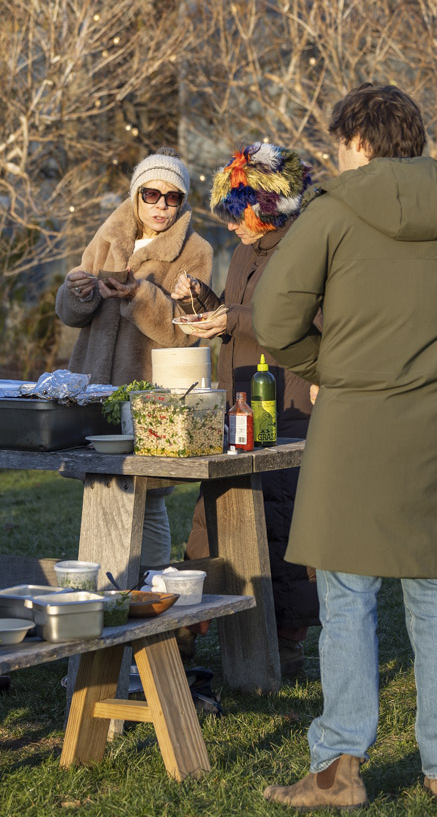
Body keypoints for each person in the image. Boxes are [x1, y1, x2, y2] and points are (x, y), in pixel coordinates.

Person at [255, 83, 437, 809]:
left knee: (348, 600)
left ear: (357, 142)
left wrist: (330, 369)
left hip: (354, 429)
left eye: (338, 144)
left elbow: (273, 319)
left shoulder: (333, 212)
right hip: (436, 432)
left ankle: (339, 770)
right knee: (436, 602)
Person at [169, 142, 318, 677]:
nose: (230, 227)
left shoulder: (306, 247)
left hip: (289, 398)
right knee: (212, 511)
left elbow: (303, 320)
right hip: (237, 399)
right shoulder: (244, 251)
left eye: (238, 215)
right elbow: (240, 314)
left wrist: (230, 317)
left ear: (267, 207)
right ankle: (183, 629)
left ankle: (286, 640)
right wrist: (201, 301)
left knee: (282, 518)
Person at [55, 151, 212, 566]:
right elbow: (70, 315)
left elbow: (186, 332)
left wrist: (139, 296)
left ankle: (153, 590)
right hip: (96, 388)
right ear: (136, 194)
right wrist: (76, 292)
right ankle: (107, 587)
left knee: (149, 498)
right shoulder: (108, 235)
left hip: (150, 394)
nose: (162, 205)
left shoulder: (195, 251)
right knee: (100, 490)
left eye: (173, 197)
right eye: (152, 194)